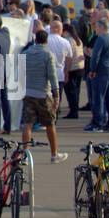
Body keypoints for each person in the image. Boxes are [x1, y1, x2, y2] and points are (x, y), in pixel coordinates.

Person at [19, 29, 68, 163]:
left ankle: (25, 155)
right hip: (43, 94)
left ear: (35, 40)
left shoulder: (26, 53)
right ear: (46, 41)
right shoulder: (48, 55)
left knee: (28, 124)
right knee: (50, 124)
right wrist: (57, 96)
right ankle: (54, 153)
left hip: (29, 92)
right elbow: (52, 77)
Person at [85, 16, 109, 133]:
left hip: (103, 70)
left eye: (96, 27)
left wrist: (92, 70)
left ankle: (98, 123)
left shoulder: (101, 39)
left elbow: (95, 56)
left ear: (101, 27)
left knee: (98, 98)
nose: (95, 30)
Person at [47, 18, 71, 117]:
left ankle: (47, 117)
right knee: (57, 97)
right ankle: (54, 117)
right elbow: (69, 58)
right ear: (59, 29)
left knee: (47, 96)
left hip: (47, 73)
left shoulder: (46, 40)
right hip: (59, 72)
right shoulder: (65, 42)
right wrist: (66, 72)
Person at [63, 20, 86, 119]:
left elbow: (69, 57)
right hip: (80, 68)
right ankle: (75, 109)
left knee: (70, 91)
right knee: (76, 90)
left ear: (66, 31)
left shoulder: (68, 41)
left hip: (72, 68)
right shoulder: (78, 40)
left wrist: (66, 71)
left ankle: (73, 111)